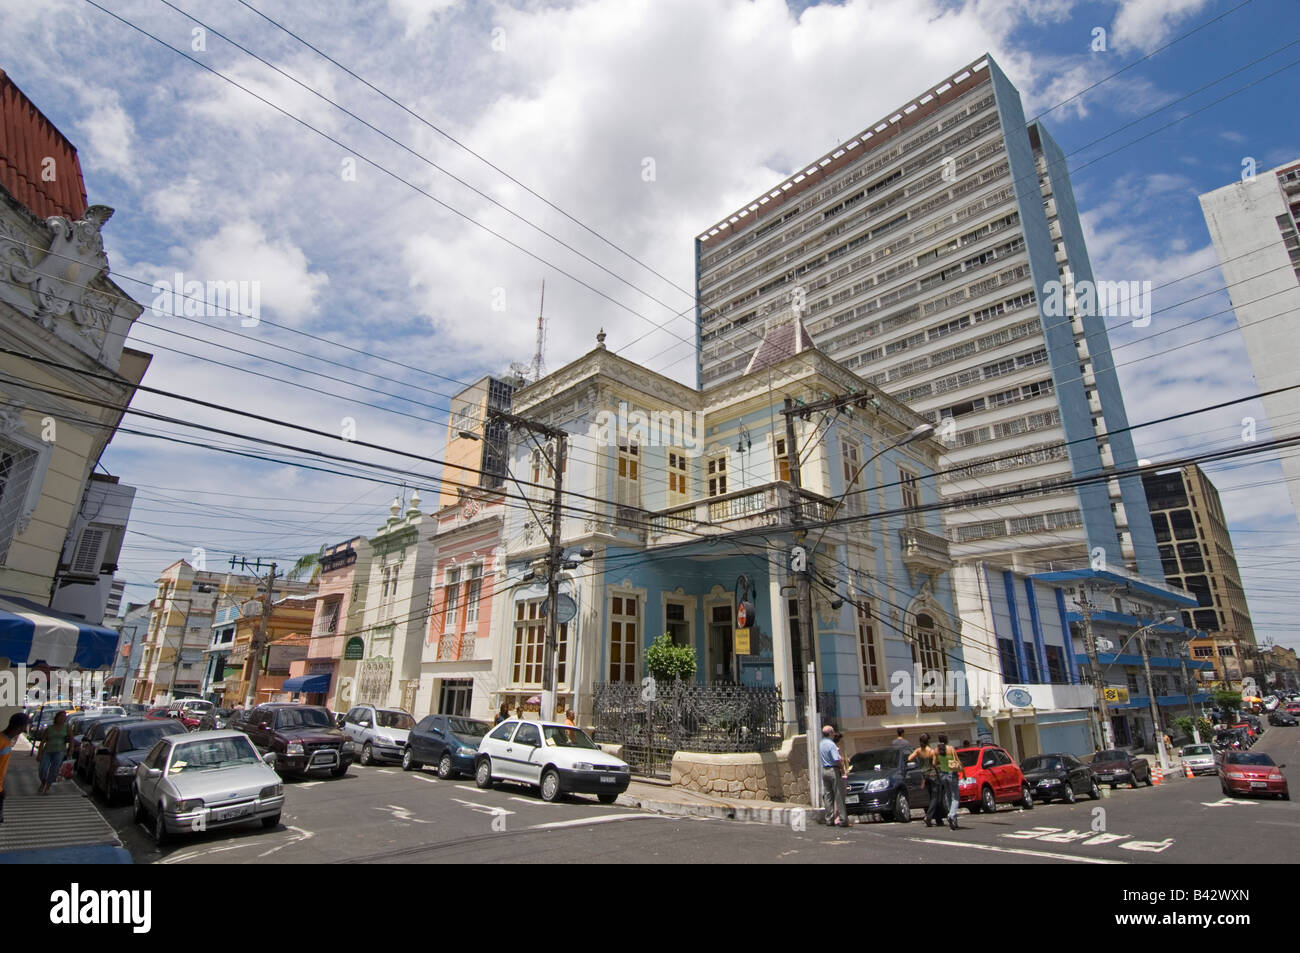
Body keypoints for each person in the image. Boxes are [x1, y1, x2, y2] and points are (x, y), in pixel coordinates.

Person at [0, 712, 31, 824]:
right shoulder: (2, 742)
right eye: (24, 727)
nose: (24, 730)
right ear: (19, 727)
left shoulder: (6, 742)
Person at [934, 733, 964, 830]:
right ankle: (951, 815)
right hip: (952, 774)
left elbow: (934, 763)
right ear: (947, 739)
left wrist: (941, 765)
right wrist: (963, 772)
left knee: (949, 796)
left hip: (943, 774)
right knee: (956, 797)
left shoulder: (936, 750)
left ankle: (954, 821)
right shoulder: (951, 749)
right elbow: (958, 761)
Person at [819, 725, 847, 827]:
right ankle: (843, 819)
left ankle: (829, 819)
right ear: (830, 733)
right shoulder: (831, 745)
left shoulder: (821, 743)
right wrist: (841, 768)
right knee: (838, 794)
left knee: (828, 795)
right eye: (833, 732)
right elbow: (836, 759)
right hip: (833, 770)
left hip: (824, 770)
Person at [36, 709, 70, 795]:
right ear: (57, 718)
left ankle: (47, 786)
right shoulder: (50, 728)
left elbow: (72, 739)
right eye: (61, 717)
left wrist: (71, 750)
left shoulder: (67, 727)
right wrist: (39, 753)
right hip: (47, 751)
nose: (62, 719)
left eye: (64, 717)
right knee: (42, 769)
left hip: (59, 751)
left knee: (54, 770)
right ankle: (43, 782)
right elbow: (42, 741)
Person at [907, 732, 937, 826]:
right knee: (935, 798)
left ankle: (933, 817)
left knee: (930, 796)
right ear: (928, 741)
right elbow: (935, 763)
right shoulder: (931, 751)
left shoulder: (918, 751)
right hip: (932, 775)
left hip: (924, 775)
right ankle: (928, 816)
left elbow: (909, 758)